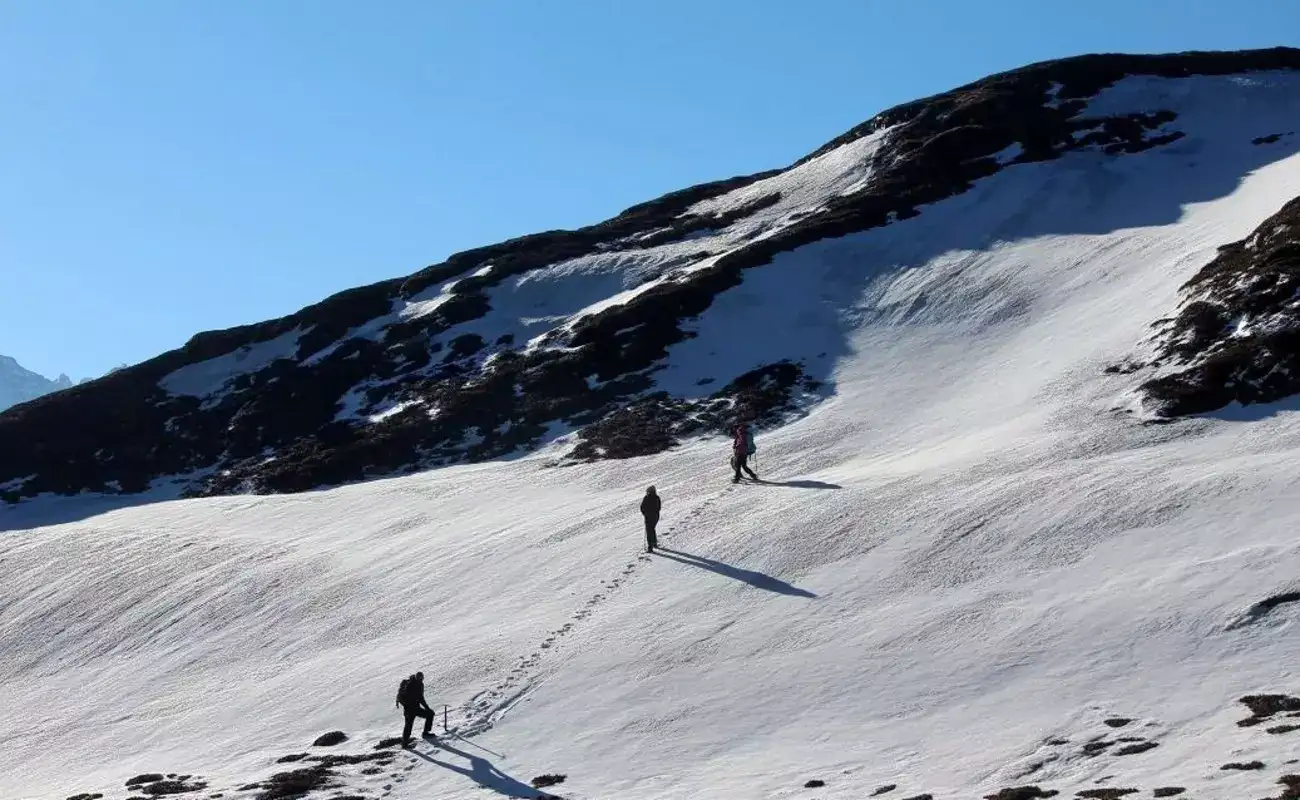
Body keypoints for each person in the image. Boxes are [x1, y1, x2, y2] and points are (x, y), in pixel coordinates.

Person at [396, 671, 435, 747]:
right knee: (409, 725)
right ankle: (405, 744)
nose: (421, 679)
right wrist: (427, 708)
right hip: (410, 709)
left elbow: (420, 698)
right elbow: (421, 698)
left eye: (422, 678)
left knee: (409, 725)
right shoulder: (413, 685)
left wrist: (427, 708)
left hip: (413, 708)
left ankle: (406, 742)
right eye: (420, 678)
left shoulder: (417, 684)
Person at [640, 486, 661, 552]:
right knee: (652, 529)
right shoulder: (657, 497)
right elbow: (659, 508)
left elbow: (642, 507)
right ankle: (654, 543)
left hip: (648, 516)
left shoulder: (646, 498)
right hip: (656, 516)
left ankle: (650, 547)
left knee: (649, 531)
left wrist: (645, 514)